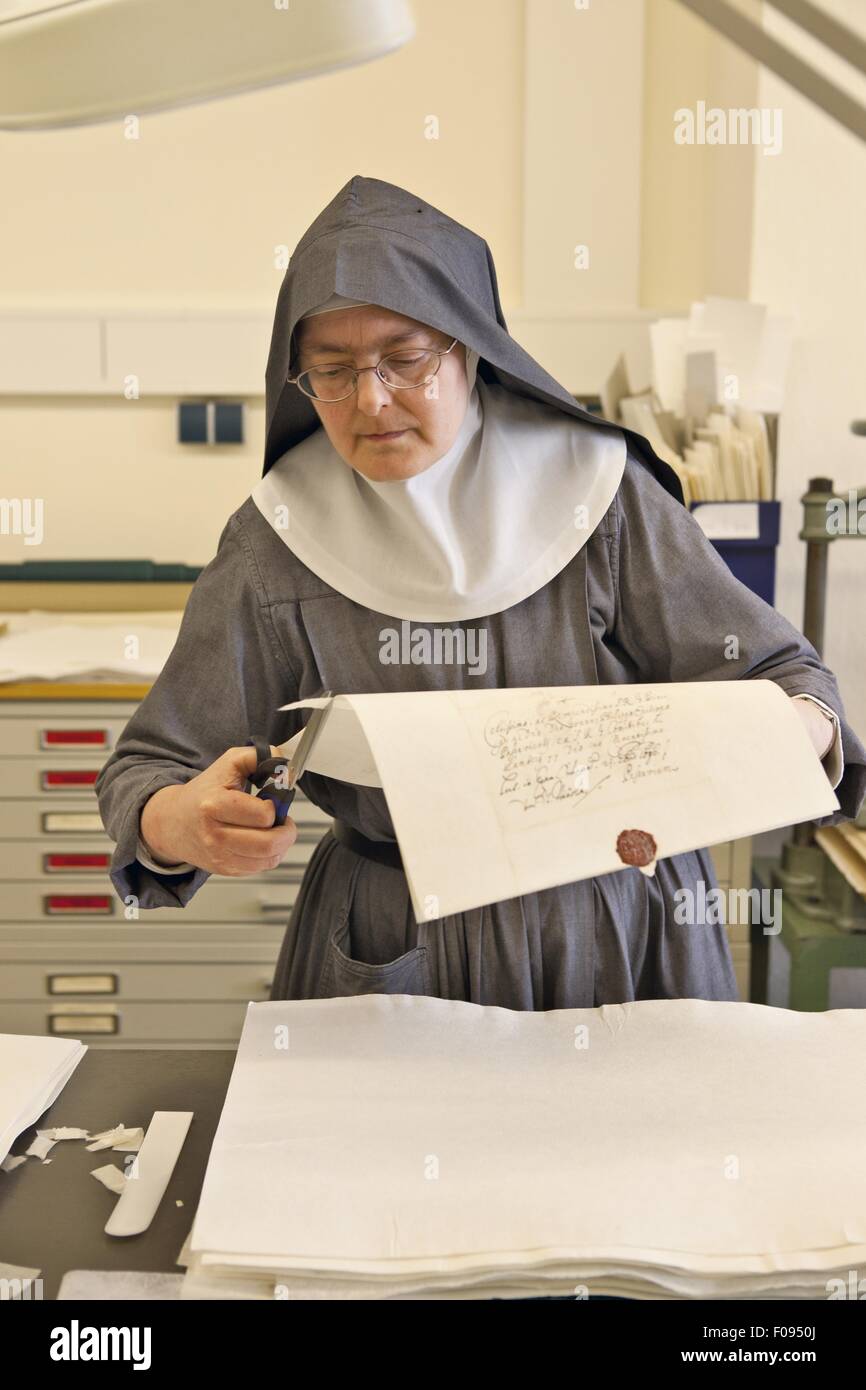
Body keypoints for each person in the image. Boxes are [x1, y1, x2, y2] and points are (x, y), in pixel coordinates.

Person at [95, 174, 866, 1010]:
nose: (370, 400)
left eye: (404, 359)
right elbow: (147, 768)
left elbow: (788, 677)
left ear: (469, 346)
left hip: (619, 924)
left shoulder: (598, 493)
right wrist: (178, 823)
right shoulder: (276, 539)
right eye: (332, 370)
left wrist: (790, 728)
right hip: (394, 933)